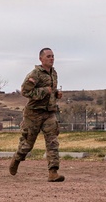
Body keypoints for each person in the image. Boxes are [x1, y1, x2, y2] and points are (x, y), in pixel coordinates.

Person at [9, 47, 65, 182]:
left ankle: (53, 172)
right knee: (27, 144)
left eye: (52, 56)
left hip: (49, 113)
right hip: (33, 114)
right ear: (41, 59)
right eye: (48, 56)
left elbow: (51, 90)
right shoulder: (35, 74)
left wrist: (56, 93)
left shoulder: (54, 73)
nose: (51, 59)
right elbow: (25, 91)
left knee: (53, 142)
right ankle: (17, 158)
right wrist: (44, 91)